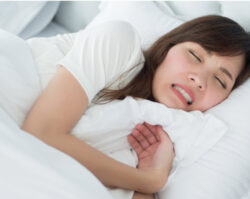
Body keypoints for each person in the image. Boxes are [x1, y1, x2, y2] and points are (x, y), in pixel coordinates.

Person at [22, 15, 250, 199]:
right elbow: (40, 133)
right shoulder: (120, 42)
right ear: (167, 49)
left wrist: (150, 180)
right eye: (195, 55)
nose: (200, 79)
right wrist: (150, 179)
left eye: (220, 81)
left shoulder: (158, 139)